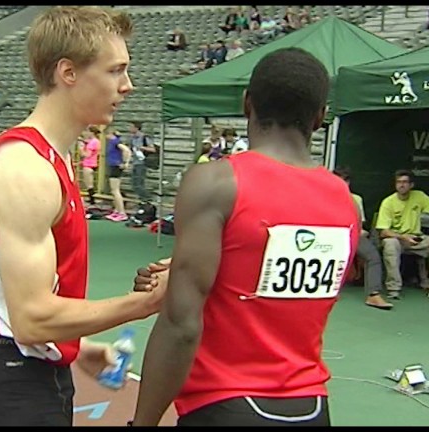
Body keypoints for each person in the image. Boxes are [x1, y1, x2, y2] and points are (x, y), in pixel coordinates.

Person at [0, 6, 166, 427]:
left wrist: (77, 347)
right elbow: (31, 319)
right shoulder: (27, 169)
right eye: (115, 71)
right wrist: (148, 303)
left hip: (28, 370)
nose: (128, 85)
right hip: (11, 377)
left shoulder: (53, 160)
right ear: (68, 72)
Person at [131, 47, 360, 427]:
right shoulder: (346, 204)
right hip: (311, 409)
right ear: (320, 118)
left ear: (246, 104)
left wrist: (142, 422)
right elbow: (272, 280)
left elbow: (181, 324)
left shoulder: (216, 182)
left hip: (224, 405)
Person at [376, 170, 429, 302]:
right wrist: (403, 237)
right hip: (398, 239)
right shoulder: (388, 202)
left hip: (417, 238)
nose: (401, 185)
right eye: (399, 182)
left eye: (405, 182)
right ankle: (394, 289)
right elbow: (383, 231)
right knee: (390, 244)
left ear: (411, 185)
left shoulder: (419, 196)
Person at [334, 167, 393, 310]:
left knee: (372, 256)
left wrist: (359, 232)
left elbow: (360, 222)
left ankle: (373, 295)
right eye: (339, 180)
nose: (343, 183)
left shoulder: (356, 199)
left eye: (346, 180)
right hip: (330, 236)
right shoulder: (322, 196)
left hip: (352, 235)